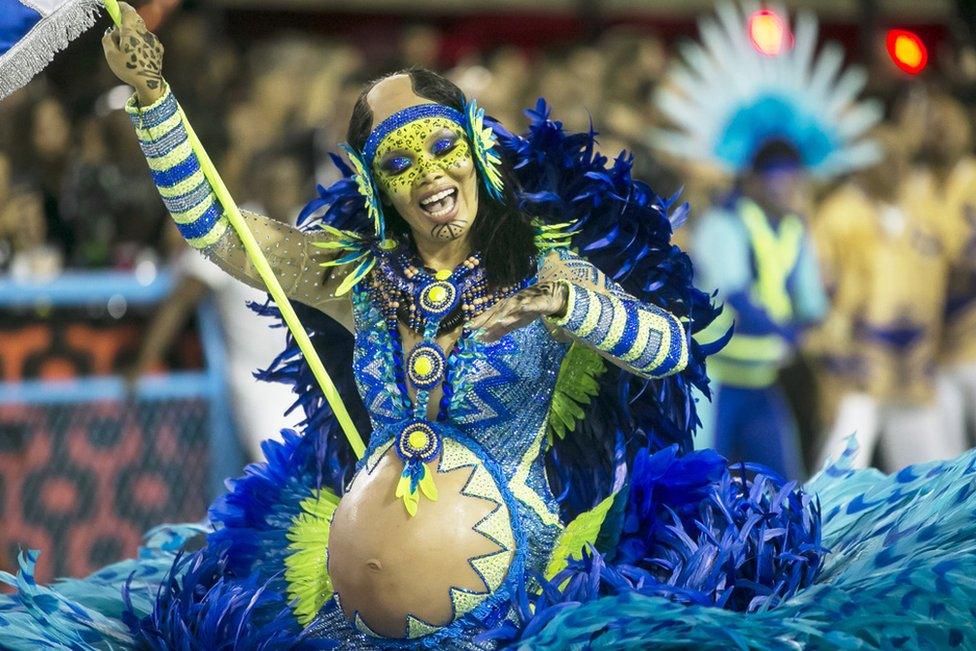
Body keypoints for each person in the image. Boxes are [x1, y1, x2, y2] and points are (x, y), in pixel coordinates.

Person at [2, 5, 976, 649]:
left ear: (473, 151)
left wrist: (577, 308)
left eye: (439, 145)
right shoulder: (358, 278)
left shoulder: (542, 269)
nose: (426, 173)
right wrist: (157, 104)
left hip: (507, 620)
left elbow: (673, 346)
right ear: (380, 190)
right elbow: (219, 229)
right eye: (396, 161)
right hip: (358, 622)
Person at [692, 140, 826, 479]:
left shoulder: (794, 230)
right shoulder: (724, 222)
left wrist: (810, 329)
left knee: (782, 485)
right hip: (713, 379)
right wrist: (787, 333)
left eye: (793, 181)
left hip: (762, 378)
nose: (786, 190)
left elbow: (812, 304)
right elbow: (735, 296)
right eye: (777, 181)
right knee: (700, 482)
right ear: (753, 180)